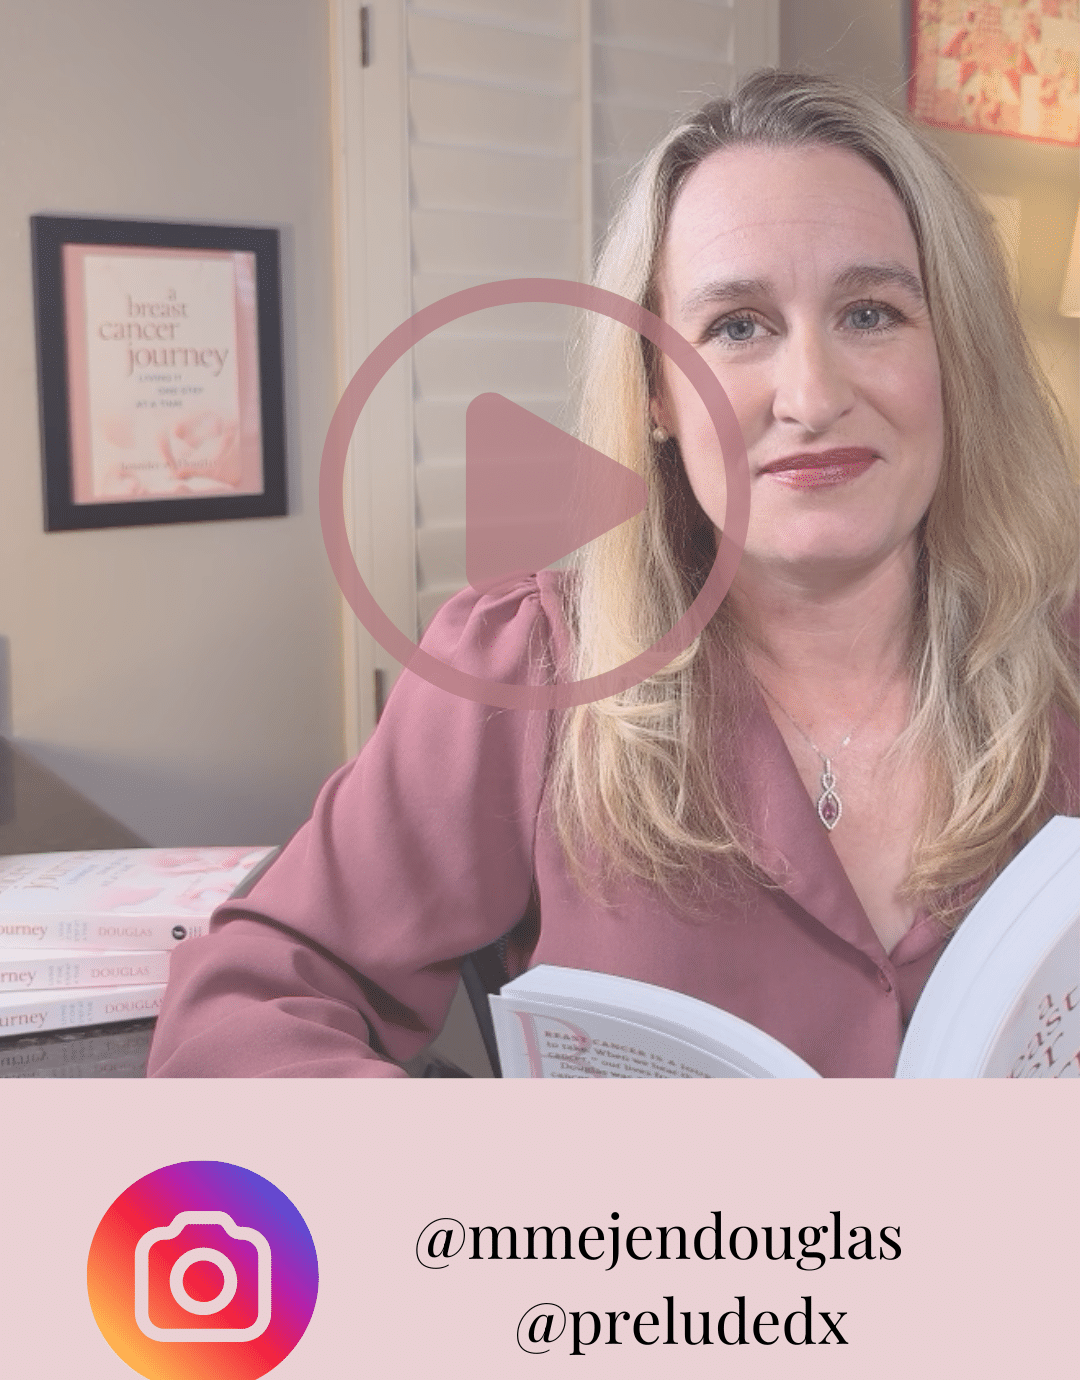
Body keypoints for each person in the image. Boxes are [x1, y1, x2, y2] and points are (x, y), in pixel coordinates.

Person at [148, 72, 1079, 1080]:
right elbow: (242, 1006)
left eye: (871, 314)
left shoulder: (1062, 662)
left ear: (955, 357)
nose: (811, 396)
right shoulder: (526, 670)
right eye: (736, 327)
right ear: (656, 395)